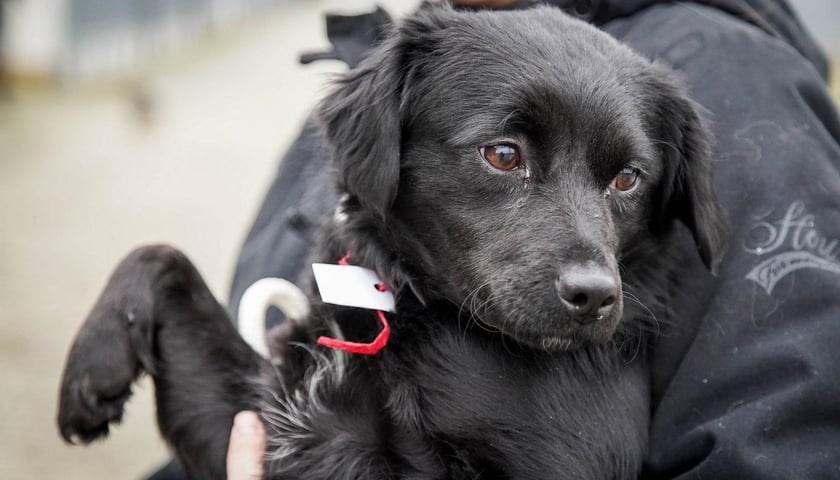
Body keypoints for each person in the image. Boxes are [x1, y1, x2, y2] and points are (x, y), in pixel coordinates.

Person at [157, 0, 840, 478]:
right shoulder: (404, 74)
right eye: (505, 156)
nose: (591, 263)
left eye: (624, 181)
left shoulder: (738, 87)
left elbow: (785, 447)